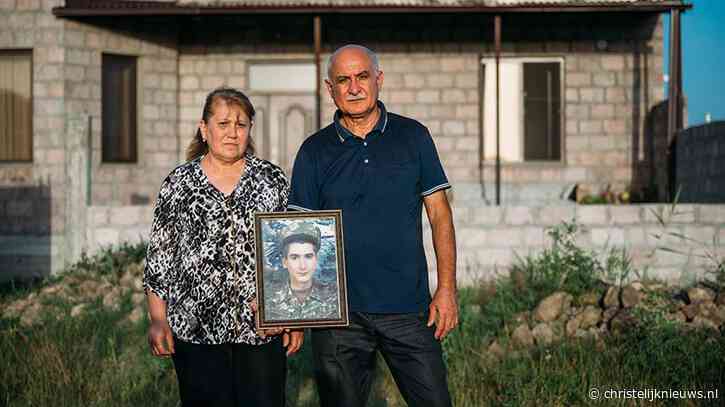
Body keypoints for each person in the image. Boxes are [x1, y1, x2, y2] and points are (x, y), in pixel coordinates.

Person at [288, 44, 458, 407]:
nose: (354, 87)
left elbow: (440, 214)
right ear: (329, 88)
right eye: (343, 80)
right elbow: (297, 233)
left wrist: (446, 289)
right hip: (338, 317)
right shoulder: (313, 151)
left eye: (362, 77)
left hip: (408, 309)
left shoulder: (414, 137)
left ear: (378, 80)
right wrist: (293, 312)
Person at [143, 86, 303, 407]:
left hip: (260, 330)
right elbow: (160, 257)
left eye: (240, 125)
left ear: (249, 130)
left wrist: (292, 317)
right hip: (195, 331)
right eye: (223, 124)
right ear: (204, 129)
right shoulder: (179, 183)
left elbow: (290, 249)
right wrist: (158, 319)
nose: (232, 133)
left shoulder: (271, 179)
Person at [265, 222, 339, 321]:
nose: (303, 266)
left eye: (308, 256)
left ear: (316, 259)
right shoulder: (268, 299)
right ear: (284, 262)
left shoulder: (335, 298)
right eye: (294, 257)